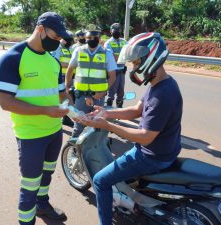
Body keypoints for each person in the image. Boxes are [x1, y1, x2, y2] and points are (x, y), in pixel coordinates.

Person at [76, 32, 183, 225]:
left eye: (135, 63)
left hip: (151, 156)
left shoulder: (162, 95)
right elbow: (136, 110)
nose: (133, 68)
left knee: (101, 180)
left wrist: (107, 125)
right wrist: (108, 113)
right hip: (165, 150)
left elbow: (145, 137)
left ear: (151, 58)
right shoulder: (160, 83)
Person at [0, 12, 74, 225]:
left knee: (47, 174)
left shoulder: (53, 61)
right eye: (55, 37)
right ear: (40, 29)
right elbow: (6, 103)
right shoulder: (13, 57)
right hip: (30, 136)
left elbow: (61, 93)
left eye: (59, 39)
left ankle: (43, 205)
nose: (56, 42)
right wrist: (46, 110)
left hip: (54, 132)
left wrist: (70, 107)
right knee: (30, 186)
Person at [65, 24, 117, 138]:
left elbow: (112, 76)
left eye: (95, 37)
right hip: (80, 96)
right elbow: (70, 69)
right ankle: (74, 151)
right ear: (85, 38)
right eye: (89, 37)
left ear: (99, 38)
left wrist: (104, 92)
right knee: (79, 124)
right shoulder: (78, 51)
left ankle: (92, 152)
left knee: (96, 125)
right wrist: (67, 86)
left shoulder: (106, 53)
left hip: (98, 96)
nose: (91, 40)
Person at [51, 30, 75, 127]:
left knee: (68, 98)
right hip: (60, 77)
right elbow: (55, 62)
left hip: (70, 76)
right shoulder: (57, 47)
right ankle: (56, 121)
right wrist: (70, 66)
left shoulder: (70, 48)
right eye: (68, 40)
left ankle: (66, 118)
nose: (70, 41)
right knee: (59, 99)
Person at [104, 23, 127, 108]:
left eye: (118, 30)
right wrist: (123, 56)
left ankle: (119, 111)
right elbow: (112, 57)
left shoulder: (124, 41)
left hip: (122, 71)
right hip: (113, 72)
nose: (117, 32)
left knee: (121, 93)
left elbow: (128, 54)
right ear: (111, 31)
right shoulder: (108, 43)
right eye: (115, 31)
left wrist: (122, 57)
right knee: (111, 94)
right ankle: (109, 112)